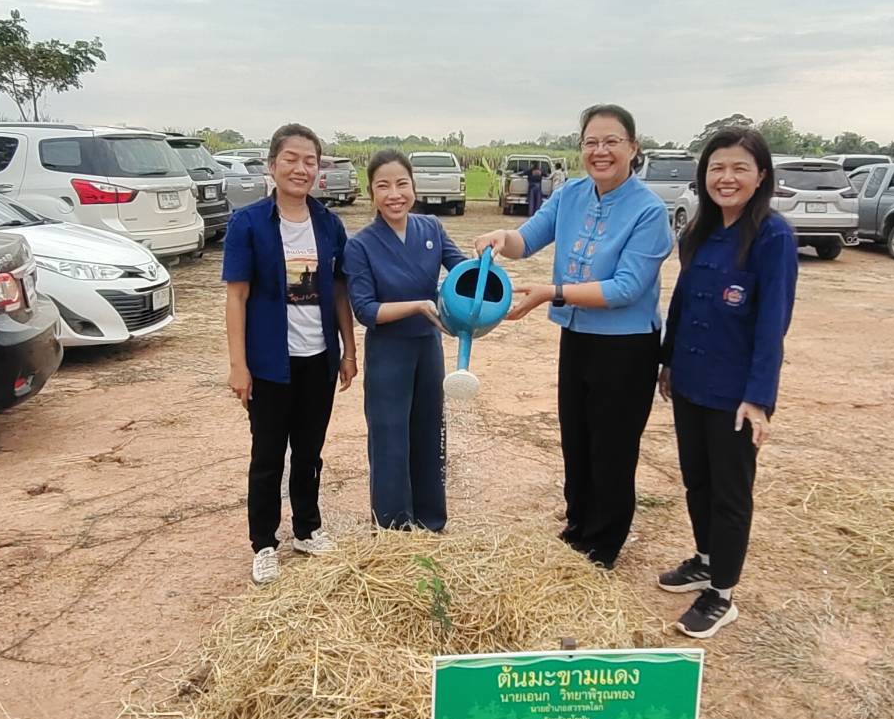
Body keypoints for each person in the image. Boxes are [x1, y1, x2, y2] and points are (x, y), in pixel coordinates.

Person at [475, 104, 673, 568]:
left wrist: (551, 292)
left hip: (626, 346)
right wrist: (501, 237)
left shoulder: (649, 211)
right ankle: (578, 525)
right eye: (591, 142)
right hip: (578, 337)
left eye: (611, 142)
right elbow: (527, 239)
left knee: (613, 445)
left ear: (633, 148)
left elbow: (626, 288)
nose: (600, 151)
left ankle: (603, 544)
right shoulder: (570, 195)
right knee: (577, 436)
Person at [654, 126, 798, 639]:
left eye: (739, 168)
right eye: (717, 168)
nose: (727, 177)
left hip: (734, 393)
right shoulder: (701, 229)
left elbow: (772, 322)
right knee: (697, 479)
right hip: (691, 381)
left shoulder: (772, 237)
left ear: (761, 176)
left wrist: (759, 399)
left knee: (731, 493)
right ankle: (706, 558)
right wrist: (668, 362)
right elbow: (682, 302)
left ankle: (723, 593)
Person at [223, 123, 355, 585]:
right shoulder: (249, 223)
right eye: (292, 159)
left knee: (310, 452)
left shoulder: (328, 224)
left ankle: (307, 528)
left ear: (319, 170)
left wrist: (348, 350)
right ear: (272, 165)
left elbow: (339, 289)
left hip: (318, 360)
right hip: (269, 365)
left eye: (310, 161)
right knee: (267, 456)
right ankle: (263, 543)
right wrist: (239, 365)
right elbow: (236, 297)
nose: (301, 168)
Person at [343, 149, 466, 532]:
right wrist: (417, 306)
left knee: (429, 429)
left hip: (428, 347)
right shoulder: (360, 245)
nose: (394, 194)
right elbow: (365, 310)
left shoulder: (431, 228)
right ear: (371, 193)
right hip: (389, 352)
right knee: (390, 435)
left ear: (413, 186)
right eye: (383, 186)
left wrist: (487, 263)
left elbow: (463, 270)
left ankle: (430, 519)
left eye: (402, 184)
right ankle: (394, 525)